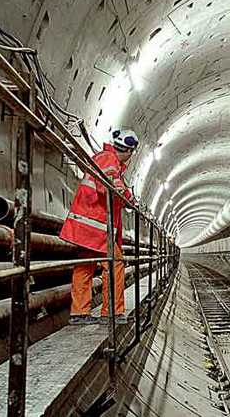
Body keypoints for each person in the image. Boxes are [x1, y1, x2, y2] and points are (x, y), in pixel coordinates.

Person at [60, 128, 139, 325]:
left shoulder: (105, 158)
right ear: (129, 151)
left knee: (85, 266)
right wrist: (129, 197)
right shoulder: (109, 159)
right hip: (96, 226)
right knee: (115, 263)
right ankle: (111, 312)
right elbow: (110, 187)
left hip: (90, 226)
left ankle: (79, 312)